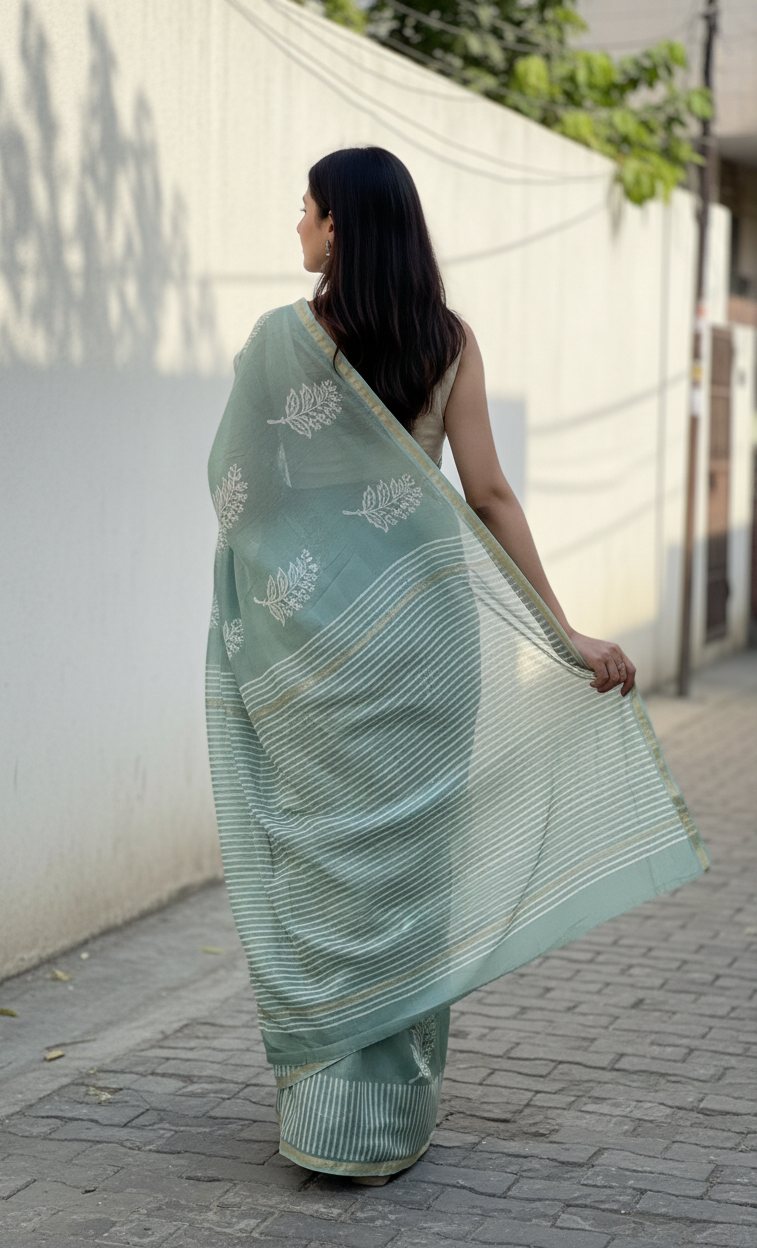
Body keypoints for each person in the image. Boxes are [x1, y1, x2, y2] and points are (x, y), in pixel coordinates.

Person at [205, 147, 709, 1183]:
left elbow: (240, 492)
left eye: (305, 209)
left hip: (314, 663)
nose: (296, 226)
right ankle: (388, 1118)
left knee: (323, 868)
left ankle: (327, 1118)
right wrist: (561, 632)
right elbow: (489, 497)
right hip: (427, 651)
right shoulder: (447, 342)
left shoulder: (276, 345)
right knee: (410, 873)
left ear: (339, 225)